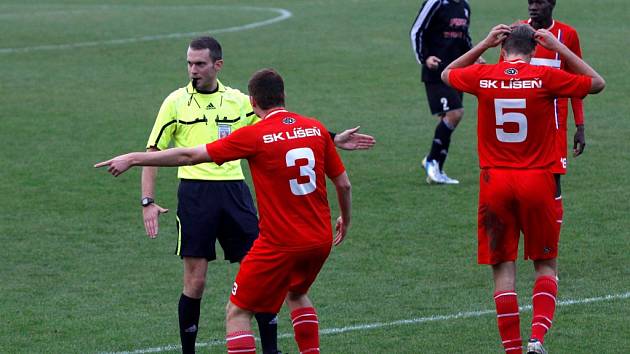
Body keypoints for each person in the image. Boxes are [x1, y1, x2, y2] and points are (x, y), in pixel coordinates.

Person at [141, 37, 373, 354]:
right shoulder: (175, 102)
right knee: (199, 282)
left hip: (236, 193)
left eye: (199, 64)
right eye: (189, 63)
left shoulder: (238, 104)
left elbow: (269, 131)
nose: (192, 70)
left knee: (257, 290)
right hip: (197, 195)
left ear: (217, 66)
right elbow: (157, 150)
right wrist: (148, 200)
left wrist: (333, 138)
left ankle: (271, 349)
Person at [96, 68, 352, 354]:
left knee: (238, 312)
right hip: (319, 240)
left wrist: (133, 157)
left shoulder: (254, 136)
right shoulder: (316, 129)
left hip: (279, 244)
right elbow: (344, 184)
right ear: (284, 96)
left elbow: (188, 155)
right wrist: (346, 219)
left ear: (253, 102)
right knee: (297, 292)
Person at [441, 24, 604, 353]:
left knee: (503, 269)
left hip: (494, 183)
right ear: (534, 50)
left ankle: (512, 350)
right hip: (538, 181)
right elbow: (597, 83)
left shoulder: (484, 75)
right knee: (545, 265)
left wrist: (484, 43)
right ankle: (537, 339)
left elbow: (447, 73)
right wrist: (559, 48)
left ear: (503, 49)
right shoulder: (546, 78)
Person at [410, 0, 482, 184]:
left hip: (456, 72)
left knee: (448, 118)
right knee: (455, 113)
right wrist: (424, 57)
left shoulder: (464, 7)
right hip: (436, 71)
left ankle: (436, 167)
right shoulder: (436, 3)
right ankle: (433, 161)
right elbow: (417, 30)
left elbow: (463, 38)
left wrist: (474, 55)